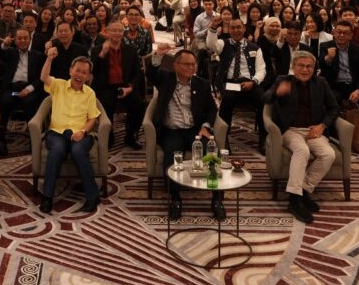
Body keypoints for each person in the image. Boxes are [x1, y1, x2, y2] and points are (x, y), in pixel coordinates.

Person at [263, 50, 338, 223]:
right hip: (290, 130)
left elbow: (334, 108)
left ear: (314, 68)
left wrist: (322, 126)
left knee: (329, 154)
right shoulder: (283, 80)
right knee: (302, 151)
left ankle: (302, 190)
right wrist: (276, 92)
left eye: (309, 66)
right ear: (293, 67)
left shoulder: (321, 83)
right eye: (301, 66)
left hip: (313, 130)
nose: (305, 70)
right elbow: (265, 98)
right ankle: (295, 201)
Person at [151, 48, 224, 221]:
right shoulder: (165, 79)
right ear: (176, 65)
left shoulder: (202, 84)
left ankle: (217, 199)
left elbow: (212, 109)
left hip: (194, 130)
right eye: (186, 64)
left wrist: (205, 126)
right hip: (171, 130)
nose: (191, 68)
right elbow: (151, 73)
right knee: (172, 154)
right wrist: (158, 56)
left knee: (211, 152)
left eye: (193, 65)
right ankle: (175, 198)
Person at [38, 46, 101, 214]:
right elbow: (44, 77)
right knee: (57, 149)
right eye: (77, 70)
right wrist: (49, 59)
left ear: (88, 76)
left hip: (81, 134)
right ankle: (47, 197)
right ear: (71, 71)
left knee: (78, 151)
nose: (80, 75)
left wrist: (83, 132)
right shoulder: (58, 85)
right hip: (57, 133)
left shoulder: (90, 93)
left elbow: (92, 118)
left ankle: (92, 196)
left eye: (84, 72)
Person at [207, 18, 268, 151]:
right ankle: (224, 137)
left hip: (249, 82)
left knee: (263, 99)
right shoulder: (223, 44)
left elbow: (261, 69)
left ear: (244, 29)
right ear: (229, 30)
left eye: (239, 27)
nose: (236, 30)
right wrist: (213, 28)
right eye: (233, 28)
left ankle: (263, 138)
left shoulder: (255, 47)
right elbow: (211, 44)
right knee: (227, 99)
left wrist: (253, 82)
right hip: (229, 83)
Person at [318, 20, 359, 149]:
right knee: (331, 101)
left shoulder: (358, 49)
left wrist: (358, 90)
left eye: (345, 33)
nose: (341, 35)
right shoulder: (325, 46)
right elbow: (322, 69)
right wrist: (328, 58)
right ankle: (331, 136)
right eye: (339, 32)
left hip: (353, 86)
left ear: (351, 35)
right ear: (334, 33)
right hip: (335, 85)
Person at [91, 21, 143, 149]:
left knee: (138, 105)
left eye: (120, 31)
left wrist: (130, 88)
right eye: (114, 30)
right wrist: (102, 54)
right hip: (106, 86)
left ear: (123, 33)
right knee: (105, 105)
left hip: (125, 86)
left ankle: (130, 135)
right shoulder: (97, 49)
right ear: (107, 32)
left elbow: (138, 73)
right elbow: (92, 71)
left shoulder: (131, 50)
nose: (117, 33)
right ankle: (109, 135)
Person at [0, 27, 44, 155]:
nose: (22, 41)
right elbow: (0, 55)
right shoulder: (10, 53)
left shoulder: (37, 56)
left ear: (30, 39)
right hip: (12, 88)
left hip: (28, 88)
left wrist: (29, 89)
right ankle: (1, 138)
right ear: (15, 40)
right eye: (19, 38)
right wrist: (4, 45)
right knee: (5, 101)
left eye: (25, 38)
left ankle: (33, 138)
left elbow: (41, 78)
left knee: (30, 103)